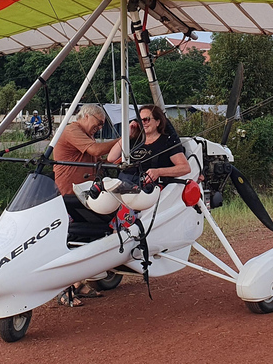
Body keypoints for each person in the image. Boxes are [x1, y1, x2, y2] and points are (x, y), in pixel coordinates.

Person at [52, 104, 120, 307]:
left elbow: (98, 157)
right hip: (69, 195)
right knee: (73, 239)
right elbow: (96, 150)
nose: (99, 128)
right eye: (98, 123)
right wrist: (122, 140)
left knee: (90, 236)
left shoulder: (86, 136)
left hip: (83, 195)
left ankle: (79, 283)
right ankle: (64, 287)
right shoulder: (72, 130)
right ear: (87, 116)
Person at [108, 104, 191, 186]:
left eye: (146, 119)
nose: (143, 123)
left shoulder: (167, 141)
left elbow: (185, 168)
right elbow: (111, 158)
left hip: (150, 187)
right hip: (126, 183)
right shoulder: (135, 140)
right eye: (140, 120)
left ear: (157, 122)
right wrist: (127, 135)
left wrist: (158, 172)